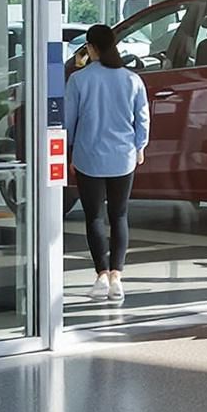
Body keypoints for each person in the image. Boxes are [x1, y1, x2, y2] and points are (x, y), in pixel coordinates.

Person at [61, 21, 147, 304]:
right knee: (119, 215)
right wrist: (140, 147)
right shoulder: (132, 79)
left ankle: (101, 275)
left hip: (89, 155)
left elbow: (68, 121)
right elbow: (142, 118)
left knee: (94, 216)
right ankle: (117, 278)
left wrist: (70, 151)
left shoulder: (79, 79)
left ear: (90, 47)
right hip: (123, 156)